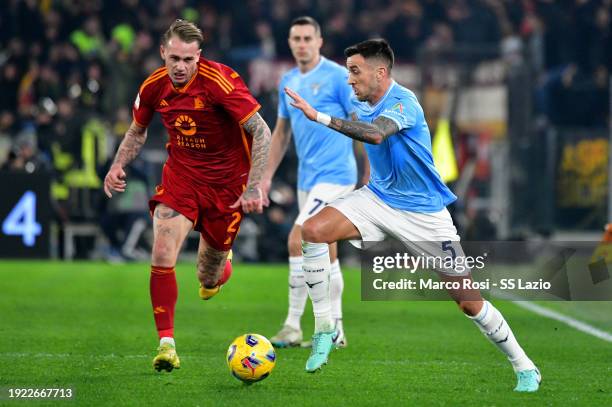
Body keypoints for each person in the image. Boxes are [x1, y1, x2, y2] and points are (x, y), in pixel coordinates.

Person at [285, 38, 541, 392]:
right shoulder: (361, 104)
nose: (350, 80)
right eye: (348, 73)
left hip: (424, 214)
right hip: (378, 199)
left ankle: (524, 365)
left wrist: (319, 117)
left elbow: (376, 136)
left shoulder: (404, 101)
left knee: (468, 302)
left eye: (355, 72)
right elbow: (368, 140)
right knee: (312, 231)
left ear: (381, 72)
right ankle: (325, 328)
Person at [103, 19, 271, 373]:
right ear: (163, 52)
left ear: (199, 57)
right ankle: (167, 344)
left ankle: (220, 269)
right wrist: (118, 164)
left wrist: (255, 185)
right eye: (174, 58)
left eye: (188, 60)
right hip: (182, 177)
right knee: (162, 246)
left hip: (227, 186)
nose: (180, 67)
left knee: (207, 277)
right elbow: (137, 130)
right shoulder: (153, 86)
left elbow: (261, 130)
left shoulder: (220, 82)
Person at [263, 16, 366, 349]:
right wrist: (265, 176)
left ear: (319, 42)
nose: (302, 43)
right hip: (308, 179)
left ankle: (292, 325)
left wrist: (369, 172)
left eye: (308, 38)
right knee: (326, 254)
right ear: (290, 43)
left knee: (299, 239)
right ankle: (336, 331)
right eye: (296, 38)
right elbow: (281, 133)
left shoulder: (338, 77)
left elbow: (359, 124)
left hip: (337, 176)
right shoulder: (288, 80)